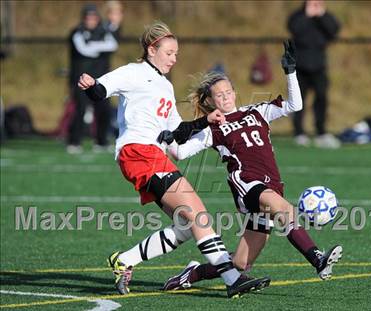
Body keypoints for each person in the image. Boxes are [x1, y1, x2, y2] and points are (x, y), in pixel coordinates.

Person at [78, 21, 270, 298]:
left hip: (154, 154)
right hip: (138, 152)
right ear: (151, 49)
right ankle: (231, 279)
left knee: (185, 226)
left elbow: (175, 133)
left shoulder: (166, 86)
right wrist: (90, 85)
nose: (174, 58)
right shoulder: (133, 73)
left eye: (176, 53)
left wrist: (206, 120)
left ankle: (124, 260)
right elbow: (99, 92)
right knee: (198, 214)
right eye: (169, 52)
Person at [157, 40, 343, 290]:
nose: (224, 97)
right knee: (285, 211)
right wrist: (167, 138)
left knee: (241, 263)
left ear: (234, 93)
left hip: (272, 185)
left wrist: (291, 73)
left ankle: (192, 274)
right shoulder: (213, 127)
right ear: (211, 101)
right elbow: (179, 153)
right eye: (218, 95)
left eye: (227, 92)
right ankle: (317, 259)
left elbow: (294, 105)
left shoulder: (257, 112)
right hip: (247, 183)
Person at [287, 0, 341, 148]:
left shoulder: (325, 17)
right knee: (298, 101)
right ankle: (299, 133)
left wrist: (322, 15)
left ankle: (321, 132)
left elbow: (334, 31)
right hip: (300, 66)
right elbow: (294, 29)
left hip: (319, 67)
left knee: (321, 99)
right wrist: (307, 15)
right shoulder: (298, 16)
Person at [67, 3, 119, 154]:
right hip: (81, 79)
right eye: (88, 17)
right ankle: (74, 142)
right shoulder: (76, 32)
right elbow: (84, 49)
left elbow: (112, 45)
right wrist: (99, 47)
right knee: (80, 109)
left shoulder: (104, 31)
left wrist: (94, 46)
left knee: (103, 109)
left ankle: (101, 142)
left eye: (93, 17)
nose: (91, 20)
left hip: (100, 79)